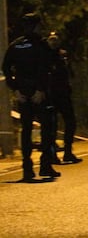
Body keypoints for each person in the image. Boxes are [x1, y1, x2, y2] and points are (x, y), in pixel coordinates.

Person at [1, 13, 61, 181]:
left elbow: (6, 69)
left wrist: (16, 89)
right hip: (39, 92)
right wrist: (40, 90)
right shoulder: (40, 45)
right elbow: (46, 68)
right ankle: (45, 165)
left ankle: (27, 168)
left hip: (23, 93)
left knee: (26, 130)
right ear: (36, 26)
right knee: (47, 129)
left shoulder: (16, 45)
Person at [46, 32, 82, 164]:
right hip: (51, 94)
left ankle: (68, 151)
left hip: (63, 93)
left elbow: (70, 74)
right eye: (52, 40)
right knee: (52, 125)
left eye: (56, 40)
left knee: (70, 122)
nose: (54, 42)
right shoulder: (45, 57)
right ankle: (52, 154)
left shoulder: (63, 56)